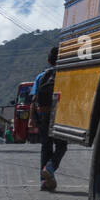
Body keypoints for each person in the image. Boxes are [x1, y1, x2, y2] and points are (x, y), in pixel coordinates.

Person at [34, 45, 64, 191]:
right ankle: (50, 167)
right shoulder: (66, 74)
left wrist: (33, 119)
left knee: (46, 146)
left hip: (44, 114)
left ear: (48, 60)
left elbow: (34, 98)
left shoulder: (41, 76)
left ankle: (44, 182)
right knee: (61, 146)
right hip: (60, 113)